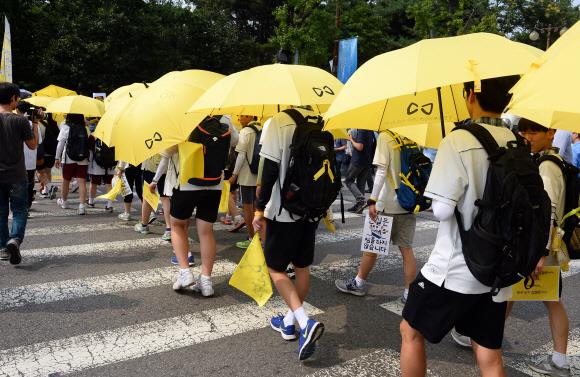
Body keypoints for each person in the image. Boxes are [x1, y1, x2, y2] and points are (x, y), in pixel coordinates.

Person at [400, 75, 521, 377]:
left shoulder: (457, 140)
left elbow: (442, 211)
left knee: (410, 330)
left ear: (470, 96)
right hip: (496, 268)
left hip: (455, 267)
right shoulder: (515, 142)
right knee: (488, 351)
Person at [252, 107, 324, 361]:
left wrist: (259, 209)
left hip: (284, 210)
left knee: (276, 268)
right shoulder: (319, 121)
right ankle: (289, 322)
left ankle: (304, 323)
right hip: (312, 209)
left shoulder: (278, 122)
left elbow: (270, 169)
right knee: (302, 267)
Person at [511, 118, 571, 376]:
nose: (527, 136)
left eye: (534, 131)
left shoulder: (547, 166)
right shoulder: (547, 161)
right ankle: (559, 359)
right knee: (539, 298)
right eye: (524, 131)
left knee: (542, 298)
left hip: (541, 247)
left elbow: (550, 212)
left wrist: (541, 251)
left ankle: (560, 360)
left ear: (551, 133)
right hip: (543, 246)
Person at [335, 130, 417, 304]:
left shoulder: (386, 137)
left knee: (372, 248)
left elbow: (381, 171)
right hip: (408, 201)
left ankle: (358, 283)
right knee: (407, 250)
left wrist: (372, 200)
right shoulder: (411, 136)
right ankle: (410, 294)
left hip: (386, 202)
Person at [155, 116, 229, 296]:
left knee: (177, 225)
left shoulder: (183, 119)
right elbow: (234, 142)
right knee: (206, 231)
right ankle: (206, 281)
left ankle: (185, 272)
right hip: (214, 184)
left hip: (187, 182)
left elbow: (167, 152)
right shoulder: (224, 119)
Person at [0, 82, 38, 264]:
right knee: (19, 210)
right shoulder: (21, 120)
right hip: (17, 174)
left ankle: (2, 248)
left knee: (0, 211)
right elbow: (32, 145)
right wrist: (36, 123)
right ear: (13, 99)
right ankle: (14, 240)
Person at [229, 115, 261, 249]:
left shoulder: (245, 131)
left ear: (249, 116)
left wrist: (234, 175)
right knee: (257, 206)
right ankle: (259, 235)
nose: (239, 119)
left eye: (241, 116)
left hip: (247, 175)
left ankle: (251, 237)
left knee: (247, 207)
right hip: (260, 174)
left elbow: (241, 155)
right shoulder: (262, 128)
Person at [55, 113, 89, 215]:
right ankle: (82, 206)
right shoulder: (85, 128)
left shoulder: (66, 127)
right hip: (83, 159)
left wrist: (57, 157)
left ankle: (64, 201)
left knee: (66, 180)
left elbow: (60, 143)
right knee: (82, 181)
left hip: (68, 158)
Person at [135, 155, 172, 242]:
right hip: (166, 167)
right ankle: (169, 229)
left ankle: (144, 225)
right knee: (165, 198)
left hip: (150, 166)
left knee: (147, 196)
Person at [15, 102, 43, 210]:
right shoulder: (34, 124)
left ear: (17, 109)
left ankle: (20, 205)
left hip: (17, 160)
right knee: (29, 184)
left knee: (17, 185)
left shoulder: (15, 122)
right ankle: (27, 205)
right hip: (31, 160)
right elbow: (38, 142)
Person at [345, 129, 376, 213]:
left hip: (358, 161)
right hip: (367, 161)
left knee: (348, 180)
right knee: (361, 184)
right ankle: (359, 207)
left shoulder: (362, 130)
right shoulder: (370, 131)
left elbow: (360, 147)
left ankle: (361, 200)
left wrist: (351, 139)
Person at [87, 134, 114, 212]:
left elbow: (90, 152)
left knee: (93, 183)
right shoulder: (113, 134)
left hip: (96, 165)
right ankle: (110, 204)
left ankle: (91, 201)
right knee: (109, 184)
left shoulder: (93, 135)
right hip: (110, 164)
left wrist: (89, 164)